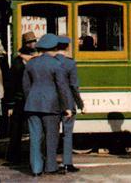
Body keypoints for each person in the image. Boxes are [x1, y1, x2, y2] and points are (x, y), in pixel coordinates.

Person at [23, 33, 73, 176]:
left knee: (35, 137)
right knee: (51, 137)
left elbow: (26, 86)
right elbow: (62, 88)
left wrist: (30, 101)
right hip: (51, 106)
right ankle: (51, 167)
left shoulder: (31, 63)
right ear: (54, 48)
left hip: (32, 105)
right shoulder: (56, 64)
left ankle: (36, 168)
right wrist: (66, 107)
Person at [6, 32, 38, 164]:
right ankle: (14, 156)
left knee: (33, 128)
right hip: (19, 99)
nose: (32, 44)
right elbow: (11, 83)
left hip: (31, 98)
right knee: (16, 130)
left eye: (33, 41)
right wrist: (10, 104)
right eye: (29, 42)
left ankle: (32, 156)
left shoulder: (35, 59)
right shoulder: (18, 62)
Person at [55, 36, 85, 173]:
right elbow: (74, 86)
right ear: (67, 47)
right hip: (67, 102)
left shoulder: (51, 62)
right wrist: (80, 104)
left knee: (51, 133)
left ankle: (49, 161)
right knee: (67, 133)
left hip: (53, 102)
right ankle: (67, 162)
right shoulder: (70, 63)